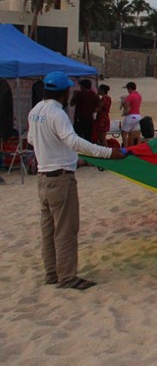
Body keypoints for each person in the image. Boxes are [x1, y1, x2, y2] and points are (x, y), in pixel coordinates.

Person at [28, 71, 125, 290]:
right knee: (66, 230)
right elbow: (75, 142)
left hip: (43, 179)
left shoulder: (35, 111)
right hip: (61, 179)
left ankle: (51, 273)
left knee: (48, 231)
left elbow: (31, 139)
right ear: (63, 93)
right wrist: (108, 153)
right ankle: (67, 278)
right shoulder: (57, 114)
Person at [121, 81, 142, 147]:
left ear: (129, 88)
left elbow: (126, 108)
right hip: (138, 115)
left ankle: (125, 148)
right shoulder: (139, 96)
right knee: (134, 134)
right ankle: (134, 148)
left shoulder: (130, 96)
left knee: (124, 133)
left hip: (131, 116)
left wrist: (123, 104)